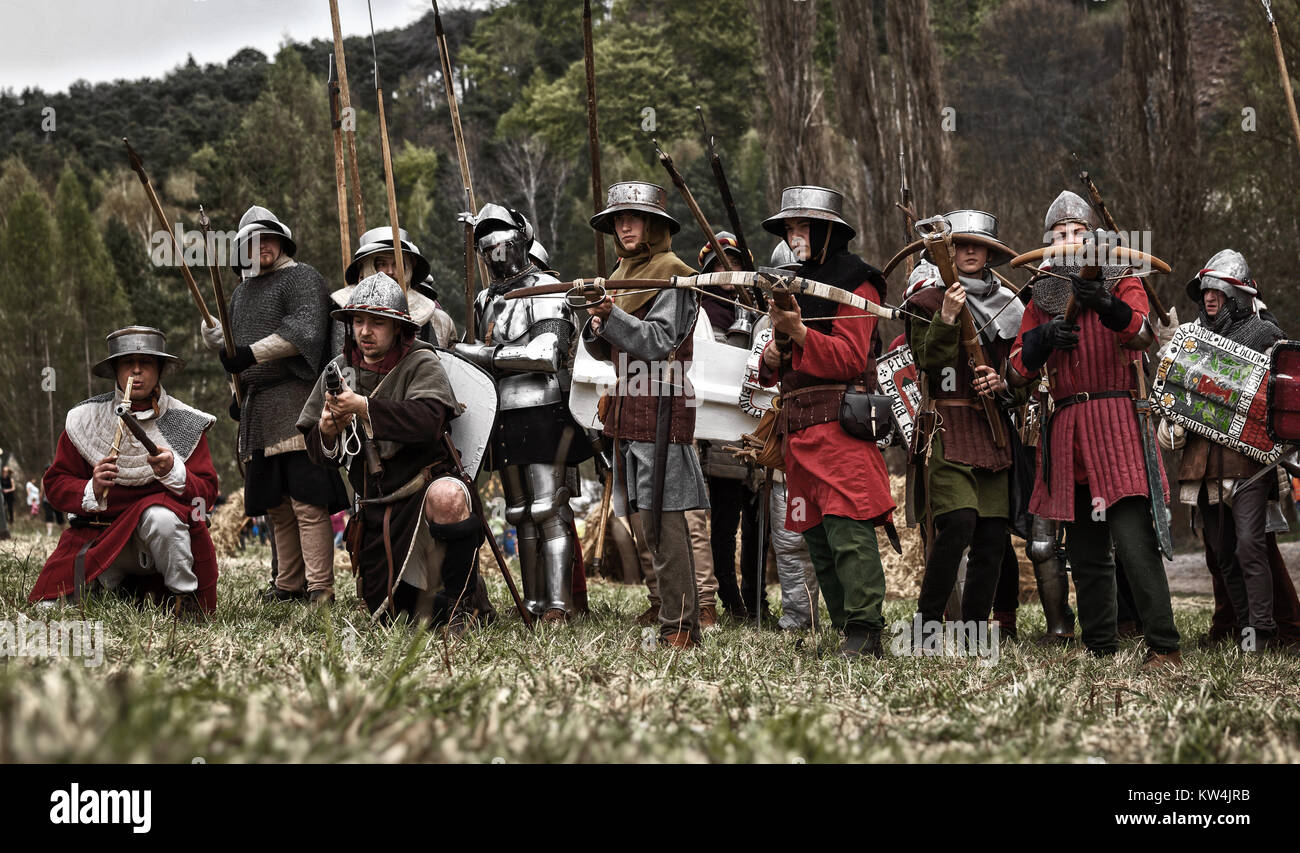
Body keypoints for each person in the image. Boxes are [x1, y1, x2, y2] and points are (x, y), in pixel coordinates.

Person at [1006, 190, 1180, 670]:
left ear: (1092, 239)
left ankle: (1164, 646)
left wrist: (1105, 302)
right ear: (1048, 242)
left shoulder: (1121, 277)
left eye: (1076, 234)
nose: (1068, 240)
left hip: (1117, 422)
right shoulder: (1040, 293)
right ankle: (1101, 645)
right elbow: (1016, 374)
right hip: (1066, 429)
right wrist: (1040, 341)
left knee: (1132, 541)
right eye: (1059, 235)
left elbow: (1144, 335)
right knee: (1083, 550)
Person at [299, 273, 486, 627]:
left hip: (423, 486)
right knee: (394, 612)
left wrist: (363, 407)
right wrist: (326, 431)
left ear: (398, 327)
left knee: (448, 496)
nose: (365, 331)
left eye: (377, 322)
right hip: (376, 508)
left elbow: (428, 421)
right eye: (358, 321)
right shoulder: (339, 370)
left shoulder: (419, 362)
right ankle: (434, 608)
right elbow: (317, 452)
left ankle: (461, 606)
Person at [758, 186, 896, 657]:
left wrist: (797, 332)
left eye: (801, 227)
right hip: (797, 425)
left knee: (848, 529)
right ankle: (845, 630)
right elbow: (776, 364)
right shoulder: (792, 282)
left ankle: (865, 629)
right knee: (814, 532)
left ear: (826, 231)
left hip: (840, 424)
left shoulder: (859, 281)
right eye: (789, 228)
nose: (794, 236)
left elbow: (850, 356)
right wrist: (776, 352)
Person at [582, 181, 710, 648]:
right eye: (618, 219)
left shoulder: (674, 274)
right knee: (640, 517)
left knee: (666, 516)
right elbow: (606, 351)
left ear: (655, 225)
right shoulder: (618, 273)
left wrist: (610, 314)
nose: (624, 225)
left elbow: (659, 342)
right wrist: (597, 324)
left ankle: (681, 625)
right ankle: (665, 610)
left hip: (663, 405)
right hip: (628, 407)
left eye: (633, 217)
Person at [202, 205, 348, 604]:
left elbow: (304, 332)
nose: (261, 246)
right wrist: (237, 390)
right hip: (258, 408)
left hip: (297, 400)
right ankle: (289, 585)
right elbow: (234, 358)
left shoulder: (302, 278)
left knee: (307, 500)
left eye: (267, 238)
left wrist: (248, 355)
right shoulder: (240, 294)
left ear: (282, 241)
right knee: (277, 506)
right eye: (252, 242)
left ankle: (320, 588)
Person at [455, 203, 592, 623]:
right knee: (519, 513)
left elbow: (546, 355)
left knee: (549, 508)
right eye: (485, 243)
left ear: (521, 239)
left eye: (500, 239)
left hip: (544, 407)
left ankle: (558, 604)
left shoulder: (549, 289)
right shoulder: (484, 298)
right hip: (501, 413)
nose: (493, 250)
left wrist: (483, 353)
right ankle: (532, 602)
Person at [28, 327, 219, 615]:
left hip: (156, 550)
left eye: (146, 363)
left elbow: (205, 497)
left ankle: (184, 599)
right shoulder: (85, 419)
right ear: (115, 369)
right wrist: (90, 487)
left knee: (162, 518)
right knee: (47, 609)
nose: (136, 372)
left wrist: (174, 472)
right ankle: (105, 584)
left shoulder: (184, 422)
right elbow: (55, 485)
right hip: (98, 539)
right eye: (128, 363)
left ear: (160, 370)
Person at [1160, 250, 1296, 651]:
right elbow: (1173, 397)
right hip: (1204, 464)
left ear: (1238, 294)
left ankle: (1264, 633)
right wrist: (1171, 356)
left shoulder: (1266, 337)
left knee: (1250, 545)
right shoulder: (1191, 339)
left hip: (1248, 462)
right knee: (1221, 552)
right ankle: (1241, 630)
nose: (1209, 298)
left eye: (1218, 290)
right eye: (1204, 291)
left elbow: (1277, 400)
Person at [696, 232, 762, 622]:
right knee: (719, 523)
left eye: (733, 263)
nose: (726, 271)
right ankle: (729, 598)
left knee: (755, 524)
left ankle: (755, 602)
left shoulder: (756, 310)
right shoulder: (697, 310)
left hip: (754, 427)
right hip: (711, 428)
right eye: (719, 264)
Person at [329, 227, 454, 354]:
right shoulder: (345, 308)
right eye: (382, 264)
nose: (390, 271)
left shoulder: (434, 316)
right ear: (364, 267)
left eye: (397, 264)